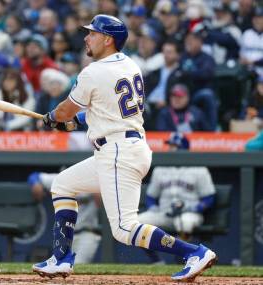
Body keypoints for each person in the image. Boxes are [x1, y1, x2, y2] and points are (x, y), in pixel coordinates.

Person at [32, 14, 217, 282]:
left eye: (93, 33)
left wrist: (53, 118)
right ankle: (61, 258)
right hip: (124, 146)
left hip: (118, 151)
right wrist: (71, 122)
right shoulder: (130, 64)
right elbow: (102, 109)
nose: (87, 37)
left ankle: (194, 252)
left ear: (108, 39)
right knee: (63, 185)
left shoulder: (94, 71)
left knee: (123, 229)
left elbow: (64, 111)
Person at [138, 132, 216, 263]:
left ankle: (181, 261)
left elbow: (209, 198)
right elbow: (151, 197)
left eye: (174, 146)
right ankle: (156, 261)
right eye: (170, 145)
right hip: (165, 213)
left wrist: (193, 208)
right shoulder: (160, 168)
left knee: (185, 223)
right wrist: (154, 208)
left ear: (183, 149)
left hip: (189, 213)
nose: (170, 149)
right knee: (137, 224)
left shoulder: (199, 168)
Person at [27, 171, 101, 264]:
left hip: (86, 233)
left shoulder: (91, 182)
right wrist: (35, 184)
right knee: (61, 266)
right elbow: (34, 176)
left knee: (77, 266)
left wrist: (100, 189)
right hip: (64, 234)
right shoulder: (60, 180)